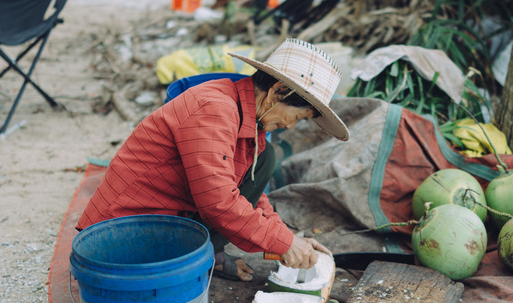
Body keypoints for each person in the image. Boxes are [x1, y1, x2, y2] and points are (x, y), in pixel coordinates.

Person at [77, 39, 350, 281]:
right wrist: (283, 243)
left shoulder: (248, 118)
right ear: (278, 92)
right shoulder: (215, 109)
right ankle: (204, 256)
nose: (290, 127)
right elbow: (219, 202)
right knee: (253, 171)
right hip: (123, 232)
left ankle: (211, 254)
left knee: (265, 157)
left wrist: (287, 237)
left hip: (168, 217)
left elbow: (246, 189)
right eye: (298, 117)